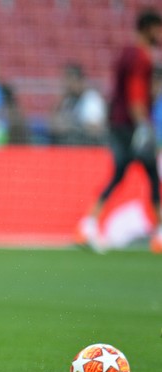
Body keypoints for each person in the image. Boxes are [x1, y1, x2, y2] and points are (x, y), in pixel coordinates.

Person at [77, 8, 162, 253]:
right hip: (131, 124)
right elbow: (136, 94)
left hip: (117, 122)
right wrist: (143, 125)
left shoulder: (125, 53)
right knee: (151, 176)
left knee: (121, 173)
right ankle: (159, 234)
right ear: (147, 28)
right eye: (158, 29)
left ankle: (87, 223)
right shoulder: (141, 56)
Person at [49, 63, 107, 145]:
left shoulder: (92, 99)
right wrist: (59, 102)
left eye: (71, 81)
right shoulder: (68, 100)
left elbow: (94, 129)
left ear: (80, 81)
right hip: (68, 146)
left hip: (87, 147)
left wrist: (71, 126)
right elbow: (53, 124)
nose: (68, 85)